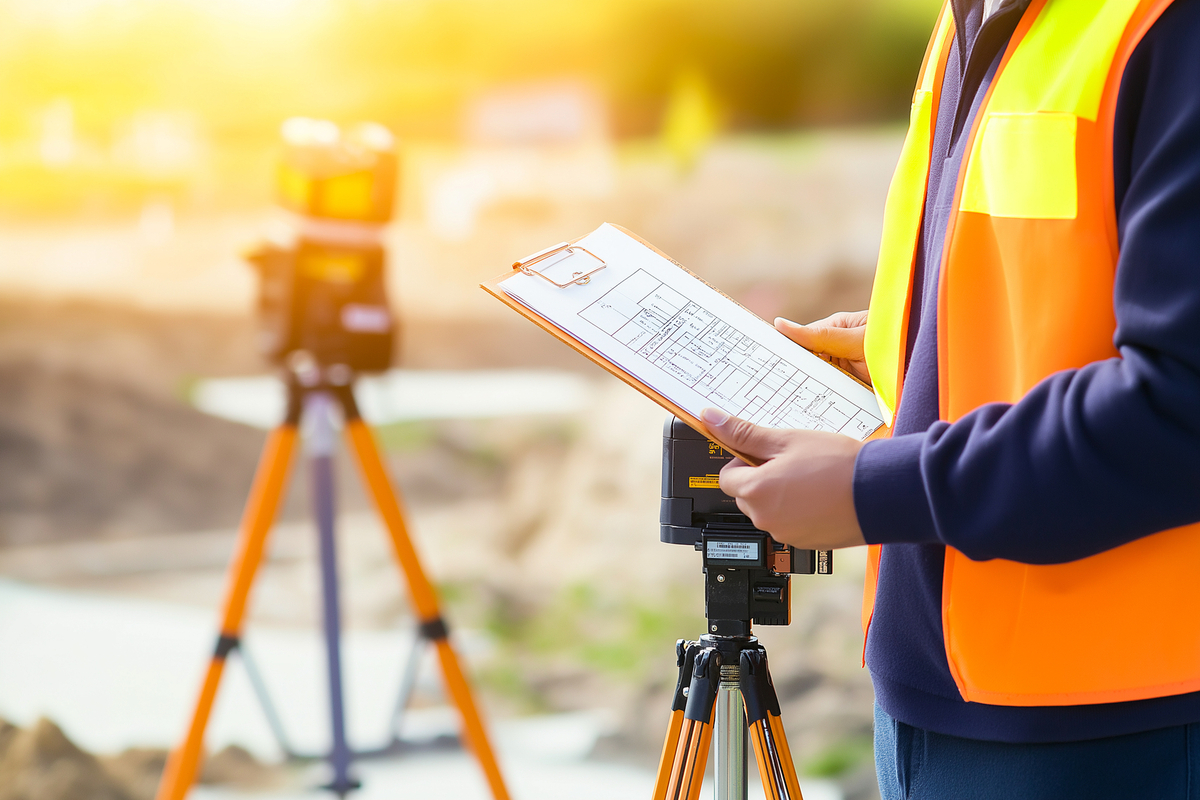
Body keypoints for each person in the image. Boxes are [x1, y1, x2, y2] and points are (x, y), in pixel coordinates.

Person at [698, 0, 1200, 796]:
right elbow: (1048, 288)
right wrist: (901, 348)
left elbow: (1181, 406)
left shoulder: (1167, 30)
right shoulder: (976, 17)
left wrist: (873, 490)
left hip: (1111, 724)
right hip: (930, 687)